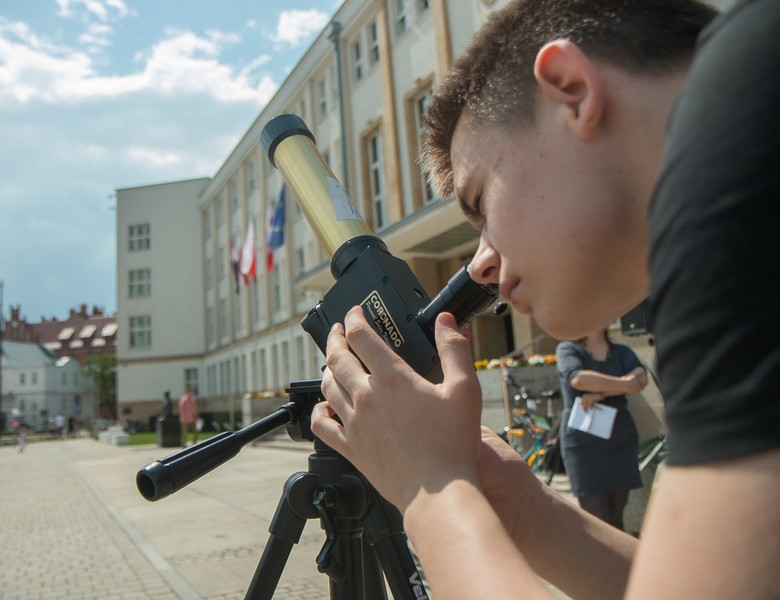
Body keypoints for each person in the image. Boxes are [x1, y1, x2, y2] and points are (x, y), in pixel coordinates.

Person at [311, 1, 780, 598]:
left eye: (481, 202)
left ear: (570, 90)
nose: (480, 264)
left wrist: (430, 486)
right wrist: (527, 514)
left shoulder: (737, 148)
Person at [556, 327, 648, 532]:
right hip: (583, 444)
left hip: (620, 439)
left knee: (617, 519)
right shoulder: (568, 349)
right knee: (598, 524)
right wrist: (625, 384)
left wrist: (601, 393)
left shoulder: (622, 351)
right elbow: (579, 379)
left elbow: (641, 379)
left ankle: (621, 554)